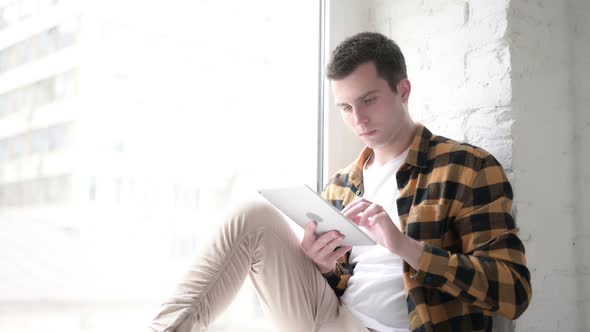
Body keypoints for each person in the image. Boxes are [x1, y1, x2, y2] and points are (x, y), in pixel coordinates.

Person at [148, 32, 532, 332]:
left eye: (368, 100)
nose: (358, 120)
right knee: (255, 215)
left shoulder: (467, 168)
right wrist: (322, 267)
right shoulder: (341, 186)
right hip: (336, 322)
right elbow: (342, 284)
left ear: (403, 90)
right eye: (346, 107)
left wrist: (405, 247)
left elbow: (513, 292)